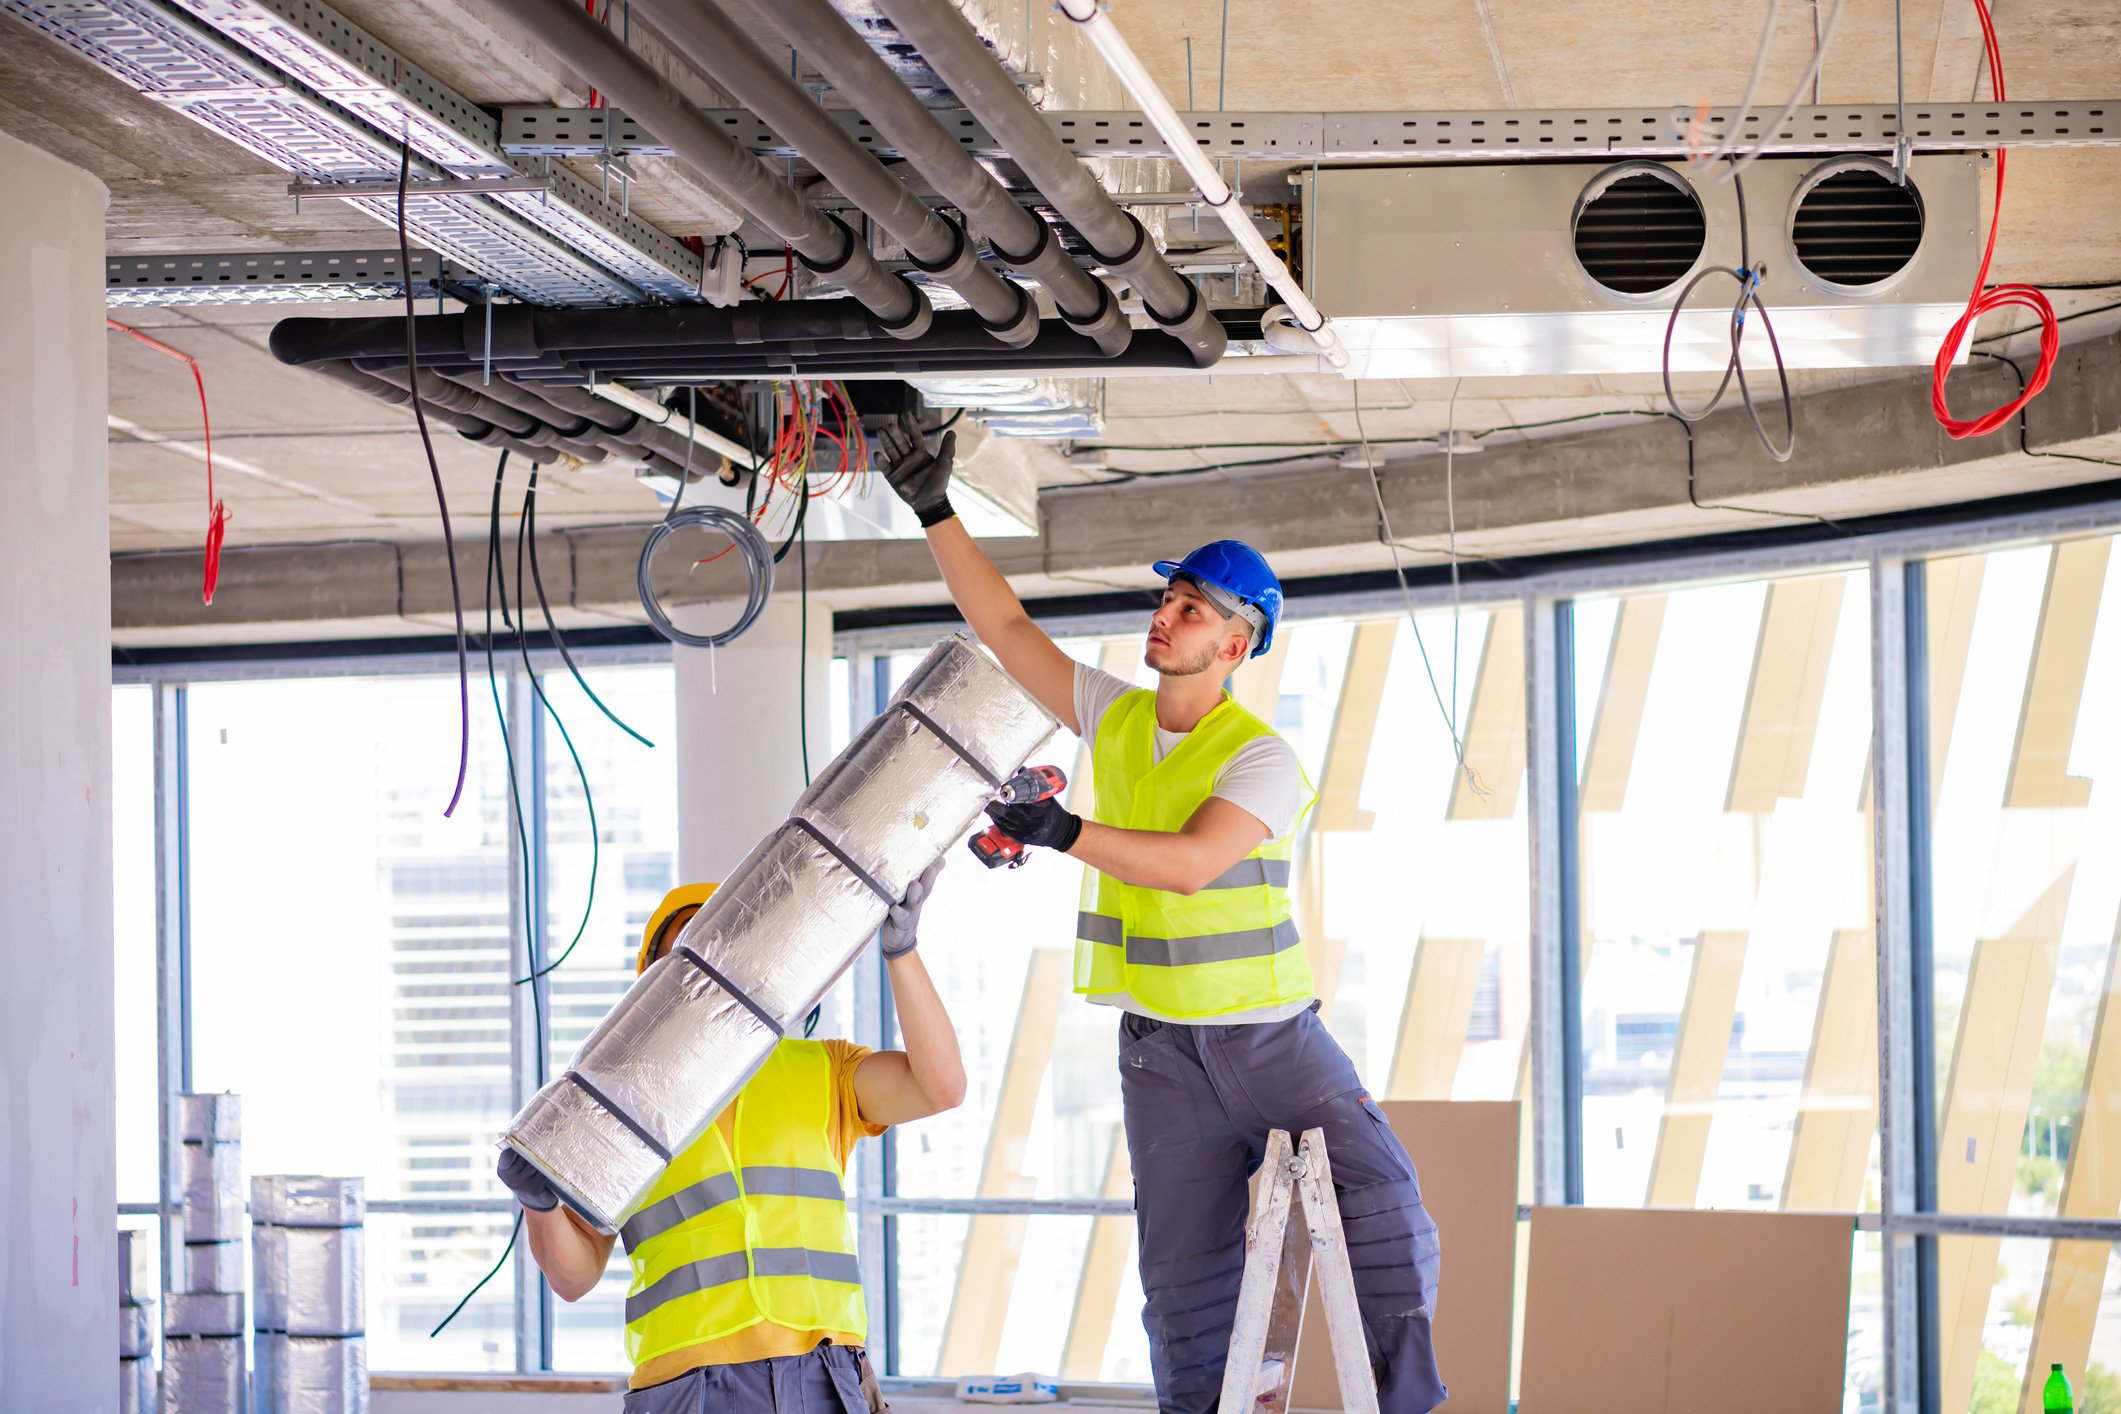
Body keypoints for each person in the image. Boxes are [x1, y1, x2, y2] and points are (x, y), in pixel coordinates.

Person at [878, 418, 1445, 1413]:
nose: (1165, 615)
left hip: (1274, 1045)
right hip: (1159, 1060)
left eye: (1192, 608)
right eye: (1167, 597)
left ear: (1238, 643)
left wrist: (1061, 831)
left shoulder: (1260, 756)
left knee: (1387, 1205)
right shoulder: (1120, 717)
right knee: (1183, 1293)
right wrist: (934, 507)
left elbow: (1189, 866)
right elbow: (1008, 631)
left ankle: (1404, 1401)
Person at [497, 859, 964, 1413]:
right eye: (682, 966)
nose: (705, 982)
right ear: (648, 985)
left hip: (824, 1374)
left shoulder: (824, 1070)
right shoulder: (612, 1111)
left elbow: (941, 1088)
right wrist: (539, 1204)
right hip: (687, 1387)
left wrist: (902, 952)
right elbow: (572, 1280)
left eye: (718, 958)